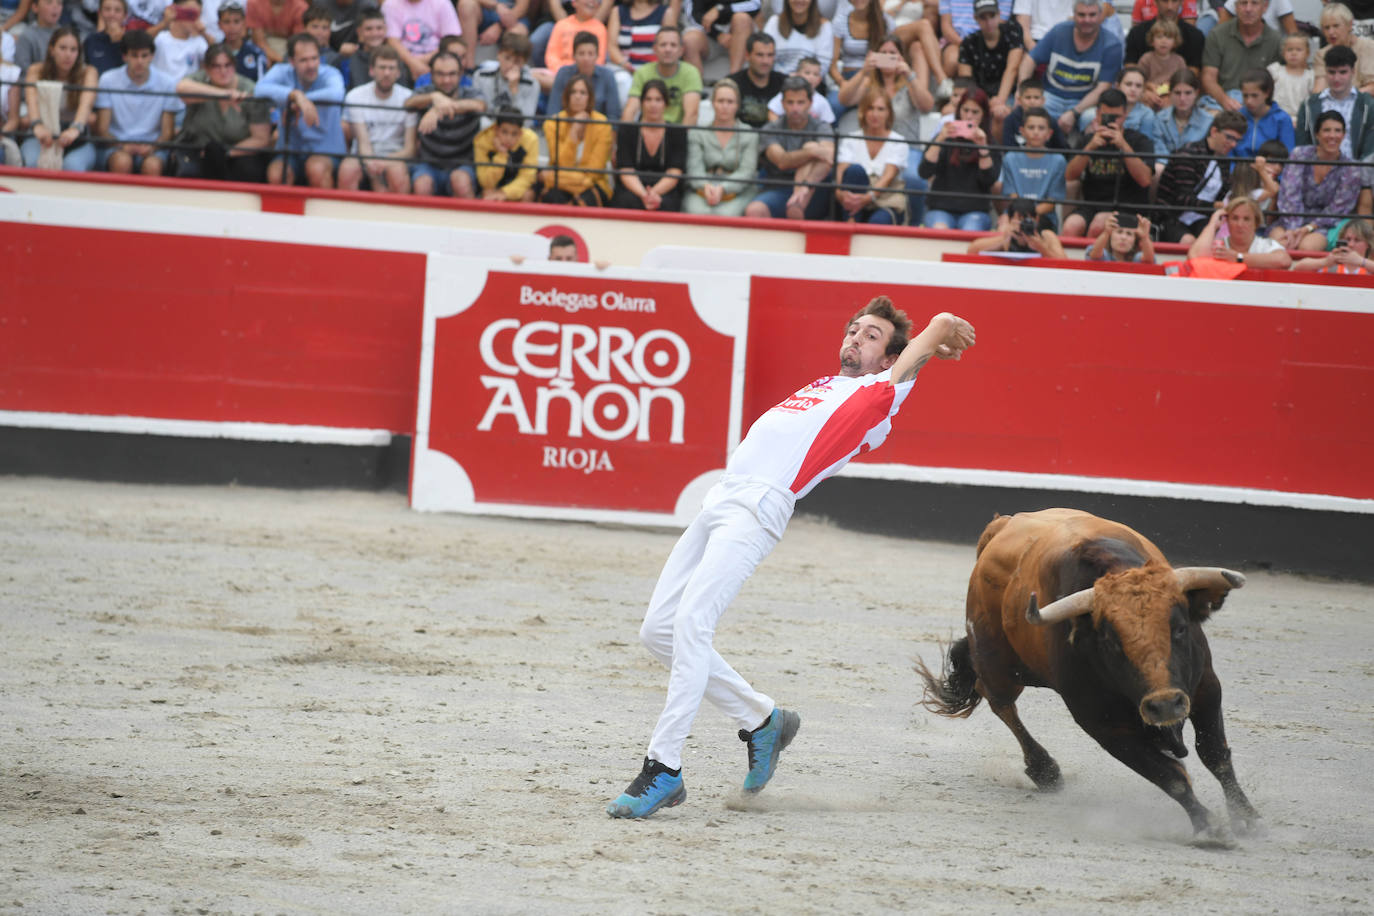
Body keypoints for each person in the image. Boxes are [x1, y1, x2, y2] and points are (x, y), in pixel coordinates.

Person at [605, 302, 977, 820]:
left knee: (692, 625)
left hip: (760, 505)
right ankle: (763, 719)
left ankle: (663, 768)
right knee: (658, 631)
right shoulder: (824, 386)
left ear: (890, 356)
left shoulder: (880, 396)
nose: (855, 339)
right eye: (852, 330)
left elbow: (932, 331)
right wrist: (933, 340)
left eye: (871, 336)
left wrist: (942, 335)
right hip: (721, 500)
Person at [1017, 0, 1123, 137]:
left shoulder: (1111, 44)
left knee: (1092, 117)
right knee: (1030, 109)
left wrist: (1074, 112)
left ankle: (1085, 156)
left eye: (1092, 15)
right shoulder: (1059, 32)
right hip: (1050, 95)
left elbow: (1103, 87)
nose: (1087, 20)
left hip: (1086, 100)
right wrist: (1021, 90)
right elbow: (1029, 60)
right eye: (1081, 15)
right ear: (1073, 14)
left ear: (1100, 15)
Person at [1061, 87, 1154, 238]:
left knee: (1099, 225)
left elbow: (1145, 180)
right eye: (1106, 116)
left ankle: (1093, 259)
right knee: (1071, 226)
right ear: (1097, 115)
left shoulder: (1140, 141)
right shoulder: (1087, 140)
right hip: (1092, 205)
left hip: (1128, 209)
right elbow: (1070, 175)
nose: (1112, 121)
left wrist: (1123, 145)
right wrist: (1091, 147)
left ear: (1125, 115)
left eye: (1116, 117)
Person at [172, 42, 273, 179]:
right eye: (216, 66)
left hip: (237, 151)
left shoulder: (250, 89)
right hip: (197, 147)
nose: (223, 71)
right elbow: (181, 89)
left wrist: (226, 153)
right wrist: (224, 94)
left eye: (228, 65)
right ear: (206, 69)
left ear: (235, 66)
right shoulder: (200, 79)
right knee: (189, 171)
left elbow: (261, 139)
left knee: (248, 170)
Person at [255, 33, 346, 186]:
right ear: (291, 61)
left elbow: (337, 94)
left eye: (314, 58)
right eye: (303, 60)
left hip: (326, 151)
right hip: (291, 151)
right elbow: (259, 90)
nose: (311, 65)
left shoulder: (330, 73)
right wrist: (294, 95)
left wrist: (301, 100)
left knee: (316, 169)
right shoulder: (281, 70)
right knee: (277, 174)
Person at [1273, 111, 1368, 251]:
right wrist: (1294, 230)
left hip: (1325, 225)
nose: (1332, 136)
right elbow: (1289, 195)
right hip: (1290, 220)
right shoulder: (1299, 155)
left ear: (1344, 135)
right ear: (1317, 134)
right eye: (1327, 130)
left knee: (1306, 247)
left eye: (1337, 131)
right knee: (1279, 245)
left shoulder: (1351, 168)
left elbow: (1338, 209)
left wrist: (1307, 228)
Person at [94, 30, 183, 174]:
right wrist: (123, 146)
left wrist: (151, 148)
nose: (140, 61)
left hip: (154, 147)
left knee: (152, 166)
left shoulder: (168, 83)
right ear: (124, 57)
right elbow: (102, 129)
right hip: (116, 146)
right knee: (122, 162)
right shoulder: (108, 79)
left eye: (144, 55)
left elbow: (167, 132)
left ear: (152, 56)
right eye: (134, 56)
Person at [746, 73, 835, 218]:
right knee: (754, 210)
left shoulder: (822, 127)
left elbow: (829, 156)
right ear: (782, 103)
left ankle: (802, 193)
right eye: (790, 102)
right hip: (778, 187)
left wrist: (805, 185)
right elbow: (782, 161)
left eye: (800, 102)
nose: (795, 108)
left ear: (810, 103)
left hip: (815, 191)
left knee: (820, 159)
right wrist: (810, 151)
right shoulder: (771, 128)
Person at [1154, 109, 1243, 242]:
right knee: (1189, 241)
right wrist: (1216, 206)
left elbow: (1224, 193)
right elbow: (1183, 199)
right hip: (1172, 217)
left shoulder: (1224, 161)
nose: (1233, 144)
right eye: (1229, 137)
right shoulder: (1188, 155)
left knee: (1217, 239)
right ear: (1214, 132)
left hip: (1204, 218)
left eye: (1237, 140)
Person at [405, 49, 486, 196]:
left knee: (461, 182)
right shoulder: (426, 92)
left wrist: (438, 109)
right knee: (422, 184)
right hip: (428, 164)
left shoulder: (471, 92)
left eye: (452, 74)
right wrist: (433, 96)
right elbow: (408, 104)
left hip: (463, 164)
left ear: (460, 74)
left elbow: (479, 105)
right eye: (440, 74)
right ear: (431, 75)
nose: (446, 80)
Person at [338, 44, 416, 192]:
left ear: (398, 72)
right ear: (372, 70)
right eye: (382, 67)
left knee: (398, 175)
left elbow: (410, 149)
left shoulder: (409, 98)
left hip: (396, 155)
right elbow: (363, 142)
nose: (386, 73)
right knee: (347, 171)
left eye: (391, 68)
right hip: (362, 153)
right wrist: (372, 165)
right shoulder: (355, 96)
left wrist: (385, 161)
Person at [21, 27, 99, 171]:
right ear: (52, 50)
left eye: (73, 49)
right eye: (62, 48)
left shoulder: (89, 72)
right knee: (33, 163)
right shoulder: (36, 70)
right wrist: (37, 125)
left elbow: (86, 106)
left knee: (73, 167)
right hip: (40, 137)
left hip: (78, 140)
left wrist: (75, 129)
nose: (68, 55)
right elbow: (32, 103)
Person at [920, 87, 997, 230]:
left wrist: (983, 148)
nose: (968, 116)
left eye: (975, 112)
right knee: (939, 230)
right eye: (965, 110)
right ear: (958, 111)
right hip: (940, 209)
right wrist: (940, 139)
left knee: (970, 230)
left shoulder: (990, 143)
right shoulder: (944, 138)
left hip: (976, 211)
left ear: (984, 115)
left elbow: (988, 180)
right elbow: (924, 172)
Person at [683, 78, 759, 215]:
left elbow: (747, 171)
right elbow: (694, 168)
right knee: (696, 212)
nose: (725, 106)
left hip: (738, 192)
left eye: (730, 102)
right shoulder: (697, 133)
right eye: (720, 101)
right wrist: (705, 186)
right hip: (701, 190)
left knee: (726, 215)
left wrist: (723, 189)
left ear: (737, 105)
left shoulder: (750, 134)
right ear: (713, 103)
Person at [611, 77, 686, 209]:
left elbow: (675, 172)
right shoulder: (627, 131)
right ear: (641, 103)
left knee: (668, 203)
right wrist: (644, 195)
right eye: (648, 99)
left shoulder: (677, 132)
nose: (653, 105)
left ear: (666, 104)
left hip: (665, 188)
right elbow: (625, 170)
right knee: (626, 201)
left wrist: (654, 193)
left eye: (658, 100)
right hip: (633, 187)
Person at [540, 71, 613, 204]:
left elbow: (594, 172)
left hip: (592, 184)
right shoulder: (552, 123)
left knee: (583, 201)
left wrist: (552, 177)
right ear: (567, 96)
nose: (577, 97)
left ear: (589, 97)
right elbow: (561, 164)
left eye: (582, 93)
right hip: (565, 182)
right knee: (553, 198)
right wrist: (573, 131)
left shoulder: (602, 124)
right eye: (573, 92)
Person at [836, 87, 907, 223]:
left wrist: (865, 200)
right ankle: (851, 223)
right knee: (854, 171)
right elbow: (841, 173)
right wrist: (840, 195)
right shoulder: (850, 139)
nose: (875, 114)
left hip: (886, 200)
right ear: (863, 111)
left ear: (889, 113)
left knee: (878, 221)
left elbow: (887, 177)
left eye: (880, 109)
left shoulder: (899, 142)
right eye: (870, 108)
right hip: (852, 198)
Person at [1200, 0, 1280, 113]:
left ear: (1265, 7)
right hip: (1222, 101)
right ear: (1235, 7)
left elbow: (1280, 82)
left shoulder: (1276, 40)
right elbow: (1208, 78)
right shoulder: (1217, 35)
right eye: (1243, 3)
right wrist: (1224, 100)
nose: (1248, 9)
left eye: (1254, 3)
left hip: (1259, 103)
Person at [1295, 45, 1374, 160]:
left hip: (1359, 172)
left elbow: (1370, 149)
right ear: (1325, 72)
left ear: (1353, 71)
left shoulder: (1368, 105)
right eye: (1332, 72)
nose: (1336, 78)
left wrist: (1358, 173)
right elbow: (1302, 147)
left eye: (1343, 72)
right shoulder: (1309, 105)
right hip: (1318, 172)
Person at [957, 0, 1023, 132]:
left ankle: (995, 152)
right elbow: (966, 79)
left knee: (1001, 114)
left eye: (992, 16)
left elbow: (1012, 68)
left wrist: (1000, 100)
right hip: (978, 96)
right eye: (983, 17)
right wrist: (983, 101)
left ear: (999, 14)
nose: (988, 22)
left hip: (1008, 94)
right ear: (976, 19)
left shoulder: (1013, 31)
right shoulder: (968, 43)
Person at [997, 106, 1066, 224]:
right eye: (1031, 127)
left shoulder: (1058, 160)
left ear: (1049, 134)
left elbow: (1051, 202)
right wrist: (1020, 215)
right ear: (1022, 131)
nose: (1036, 132)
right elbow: (1011, 195)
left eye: (1041, 128)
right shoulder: (1010, 158)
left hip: (1044, 217)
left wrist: (1030, 215)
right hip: (1015, 213)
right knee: (1003, 226)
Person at [622, 24, 701, 123]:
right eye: (663, 45)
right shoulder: (642, 72)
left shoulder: (691, 73)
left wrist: (680, 137)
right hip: (646, 131)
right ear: (654, 49)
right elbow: (630, 109)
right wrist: (626, 135)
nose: (668, 50)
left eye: (673, 45)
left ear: (681, 50)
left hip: (676, 132)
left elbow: (692, 114)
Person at [1188, 195, 1291, 265]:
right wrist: (1212, 223)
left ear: (1256, 223)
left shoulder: (1264, 245)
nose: (1240, 224)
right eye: (1235, 218)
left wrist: (1238, 258)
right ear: (1227, 221)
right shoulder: (1219, 245)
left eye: (1246, 219)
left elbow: (1284, 261)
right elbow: (1194, 259)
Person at [829, 0, 891, 114]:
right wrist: (843, 84)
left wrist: (871, 67)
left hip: (876, 78)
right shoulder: (840, 21)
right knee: (833, 104)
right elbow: (832, 66)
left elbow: (892, 57)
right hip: (849, 78)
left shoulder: (885, 21)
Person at [547, 29, 622, 118]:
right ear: (574, 55)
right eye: (581, 53)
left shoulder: (608, 75)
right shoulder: (563, 73)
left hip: (598, 129)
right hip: (566, 127)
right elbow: (553, 112)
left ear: (597, 55)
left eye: (590, 54)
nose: (586, 58)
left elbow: (613, 116)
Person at [473, 104, 538, 200]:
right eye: (504, 132)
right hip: (493, 187)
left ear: (520, 133)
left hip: (516, 187)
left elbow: (527, 178)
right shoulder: (482, 140)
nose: (508, 139)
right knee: (487, 193)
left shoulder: (531, 140)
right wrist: (501, 154)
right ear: (496, 129)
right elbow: (485, 182)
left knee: (528, 194)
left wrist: (505, 193)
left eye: (514, 134)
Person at [472, 30, 540, 122]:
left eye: (517, 61)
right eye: (507, 58)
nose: (510, 65)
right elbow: (477, 115)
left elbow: (526, 122)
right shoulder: (481, 76)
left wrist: (514, 90)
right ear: (499, 55)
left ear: (524, 63)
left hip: (515, 132)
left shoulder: (532, 84)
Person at [1125, 0, 1205, 77]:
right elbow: (1130, 71)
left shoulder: (1195, 36)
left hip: (1180, 88)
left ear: (1181, 2)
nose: (1169, 7)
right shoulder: (1136, 33)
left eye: (1174, 1)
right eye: (1164, 1)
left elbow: (1193, 74)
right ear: (1155, 2)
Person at [541, 0, 609, 88]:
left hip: (588, 76)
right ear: (574, 2)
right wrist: (563, 72)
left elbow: (599, 60)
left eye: (596, 0)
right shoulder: (561, 24)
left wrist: (580, 73)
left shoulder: (600, 28)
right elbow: (551, 55)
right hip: (559, 74)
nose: (592, 2)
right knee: (534, 77)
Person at [384, 0, 460, 79]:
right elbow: (392, 41)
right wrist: (414, 64)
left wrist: (422, 61)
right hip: (403, 63)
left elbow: (451, 40)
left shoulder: (442, 3)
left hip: (439, 60)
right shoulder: (390, 4)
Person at [966, 196, 1068, 254]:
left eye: (1027, 220)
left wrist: (1041, 248)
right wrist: (1003, 241)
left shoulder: (1046, 236)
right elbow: (972, 251)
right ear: (1010, 220)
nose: (1022, 225)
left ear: (1036, 218)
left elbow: (1064, 264)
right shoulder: (1006, 235)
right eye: (1018, 221)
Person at [1313, 4, 1374, 96]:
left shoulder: (1369, 47)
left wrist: (1345, 98)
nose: (1331, 32)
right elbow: (1319, 89)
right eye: (1326, 28)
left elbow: (1372, 87)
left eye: (1336, 26)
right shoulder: (1322, 54)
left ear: (1350, 24)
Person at [341, 8, 411, 89]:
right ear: (359, 32)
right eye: (368, 29)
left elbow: (403, 91)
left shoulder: (396, 59)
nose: (374, 33)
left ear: (386, 30)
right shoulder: (349, 61)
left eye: (379, 28)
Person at [730, 30, 786, 127]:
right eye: (760, 55)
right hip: (741, 138)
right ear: (747, 56)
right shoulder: (733, 84)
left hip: (775, 139)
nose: (765, 61)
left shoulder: (785, 83)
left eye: (770, 55)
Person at [1153, 66, 1213, 155]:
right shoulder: (1159, 119)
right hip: (1165, 167)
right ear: (1170, 94)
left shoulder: (1208, 121)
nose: (1182, 98)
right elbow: (1160, 153)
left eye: (1188, 93)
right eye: (1177, 93)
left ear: (1196, 93)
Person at [763, 0, 832, 76]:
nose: (799, 1)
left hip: (809, 84)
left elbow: (823, 66)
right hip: (776, 81)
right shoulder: (774, 22)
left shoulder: (824, 26)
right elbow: (764, 56)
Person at [1233, 67, 1291, 156]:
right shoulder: (1237, 117)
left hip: (1269, 168)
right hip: (1239, 168)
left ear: (1267, 93)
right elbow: (1229, 153)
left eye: (1254, 96)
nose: (1249, 101)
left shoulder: (1282, 119)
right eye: (1245, 96)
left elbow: (1287, 154)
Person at [606, 0, 668, 84]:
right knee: (622, 79)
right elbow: (611, 46)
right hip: (626, 70)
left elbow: (669, 43)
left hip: (655, 71)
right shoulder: (617, 11)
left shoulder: (665, 12)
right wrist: (625, 64)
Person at [1001, 76, 1069, 147]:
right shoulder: (1010, 120)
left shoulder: (1051, 121)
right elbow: (1008, 149)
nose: (1032, 101)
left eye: (1036, 98)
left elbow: (1062, 149)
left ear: (1043, 100)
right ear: (1019, 100)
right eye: (1028, 97)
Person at [692, 0, 760, 73]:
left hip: (740, 30)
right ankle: (695, 82)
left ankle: (733, 78)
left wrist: (721, 9)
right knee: (690, 40)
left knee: (742, 19)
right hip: (708, 32)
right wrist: (717, 35)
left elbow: (755, 4)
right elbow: (693, 15)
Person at [1291, 216, 1374, 273]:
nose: (1351, 244)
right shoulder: (1331, 263)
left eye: (1357, 240)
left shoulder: (1369, 267)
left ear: (1368, 244)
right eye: (1348, 239)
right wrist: (1325, 262)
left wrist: (1361, 262)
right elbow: (1298, 267)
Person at [153, 0, 210, 80]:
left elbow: (216, 55)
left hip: (187, 89)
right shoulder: (160, 38)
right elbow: (139, 42)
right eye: (191, 14)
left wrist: (203, 33)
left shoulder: (198, 41)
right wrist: (164, 23)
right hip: (162, 90)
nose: (195, 20)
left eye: (198, 15)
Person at [1134, 17, 1186, 101]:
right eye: (1159, 37)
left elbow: (1184, 80)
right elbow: (1138, 79)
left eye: (1169, 38)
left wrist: (1172, 85)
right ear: (1152, 40)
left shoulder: (1179, 61)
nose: (1164, 41)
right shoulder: (1146, 58)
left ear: (1175, 42)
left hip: (1172, 95)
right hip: (1150, 93)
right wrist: (1149, 85)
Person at [219, 0, 269, 81]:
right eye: (226, 22)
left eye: (236, 21)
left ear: (244, 23)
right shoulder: (213, 53)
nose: (232, 27)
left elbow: (262, 86)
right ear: (219, 24)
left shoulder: (257, 53)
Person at [1266, 32, 1311, 122]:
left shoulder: (1310, 76)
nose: (1293, 53)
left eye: (1299, 50)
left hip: (1300, 120)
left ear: (1307, 53)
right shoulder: (1275, 70)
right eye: (1289, 50)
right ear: (1283, 53)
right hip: (1275, 117)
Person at [247, 0, 307, 64]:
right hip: (261, 46)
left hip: (288, 47)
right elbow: (259, 41)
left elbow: (297, 42)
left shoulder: (300, 7)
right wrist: (282, 61)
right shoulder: (254, 3)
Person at [1085, 209, 1156, 260]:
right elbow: (1095, 255)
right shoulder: (1104, 254)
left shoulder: (1136, 258)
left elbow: (1149, 260)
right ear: (1110, 236)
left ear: (1135, 240)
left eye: (1129, 234)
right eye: (1119, 232)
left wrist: (1144, 237)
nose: (1123, 237)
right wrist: (1106, 232)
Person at [14, 0, 64, 72]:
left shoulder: (68, 36)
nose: (55, 7)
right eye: (49, 2)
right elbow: (23, 70)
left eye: (59, 3)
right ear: (35, 7)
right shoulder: (26, 36)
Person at [85, 0, 131, 73]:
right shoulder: (91, 40)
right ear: (100, 13)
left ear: (125, 15)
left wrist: (118, 41)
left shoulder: (132, 40)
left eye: (117, 10)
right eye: (107, 9)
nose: (112, 14)